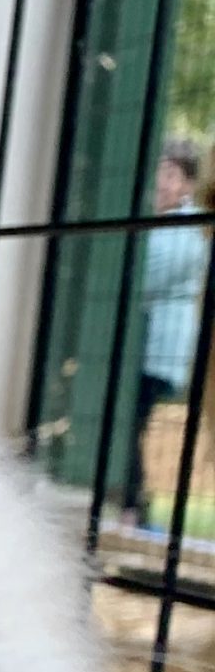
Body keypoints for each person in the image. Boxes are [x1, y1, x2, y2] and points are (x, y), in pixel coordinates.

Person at [127, 134, 208, 524]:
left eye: (172, 174)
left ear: (188, 185)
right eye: (159, 171)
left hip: (157, 351)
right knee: (130, 423)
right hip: (142, 348)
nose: (162, 181)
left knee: (130, 421)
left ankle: (132, 505)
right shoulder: (163, 225)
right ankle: (133, 503)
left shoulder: (186, 231)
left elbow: (143, 274)